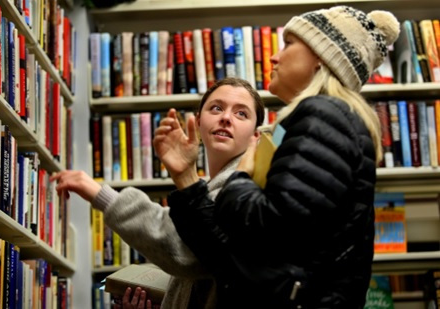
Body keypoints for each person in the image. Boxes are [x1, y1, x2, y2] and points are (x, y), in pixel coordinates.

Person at [155, 5, 400, 309]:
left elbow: (268, 233)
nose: (274, 56)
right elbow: (236, 257)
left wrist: (239, 180)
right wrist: (186, 178)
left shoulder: (323, 115)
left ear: (322, 58)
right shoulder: (316, 121)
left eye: (289, 44)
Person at [50, 77, 266, 308]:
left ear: (256, 135)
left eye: (241, 114)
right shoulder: (209, 186)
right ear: (199, 119)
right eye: (216, 108)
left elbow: (185, 248)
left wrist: (99, 194)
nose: (226, 117)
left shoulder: (248, 190)